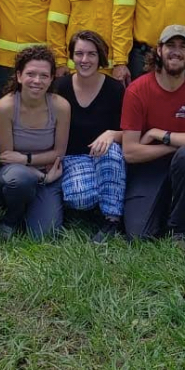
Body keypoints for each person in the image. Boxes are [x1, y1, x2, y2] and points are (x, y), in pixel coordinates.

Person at [120, 25, 185, 241]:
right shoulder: (137, 89)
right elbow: (130, 152)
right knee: (139, 236)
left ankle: (179, 230)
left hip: (184, 166)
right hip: (149, 166)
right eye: (170, 45)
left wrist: (158, 133)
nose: (176, 51)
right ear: (159, 50)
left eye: (183, 46)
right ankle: (161, 208)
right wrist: (171, 145)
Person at [55, 30, 125, 243]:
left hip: (107, 157)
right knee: (80, 197)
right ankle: (104, 196)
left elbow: (132, 132)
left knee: (110, 149)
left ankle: (112, 219)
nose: (85, 60)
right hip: (74, 158)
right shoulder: (60, 87)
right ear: (71, 56)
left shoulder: (115, 89)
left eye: (91, 54)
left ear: (100, 57)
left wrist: (112, 134)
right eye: (79, 54)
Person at [0, 45, 70, 239]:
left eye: (44, 75)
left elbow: (59, 153)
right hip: (17, 173)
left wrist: (25, 159)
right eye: (31, 74)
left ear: (52, 78)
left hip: (49, 174)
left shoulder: (61, 107)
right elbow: (6, 157)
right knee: (18, 180)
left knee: (44, 234)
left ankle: (34, 208)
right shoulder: (6, 107)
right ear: (19, 76)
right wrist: (39, 173)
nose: (37, 81)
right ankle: (12, 218)